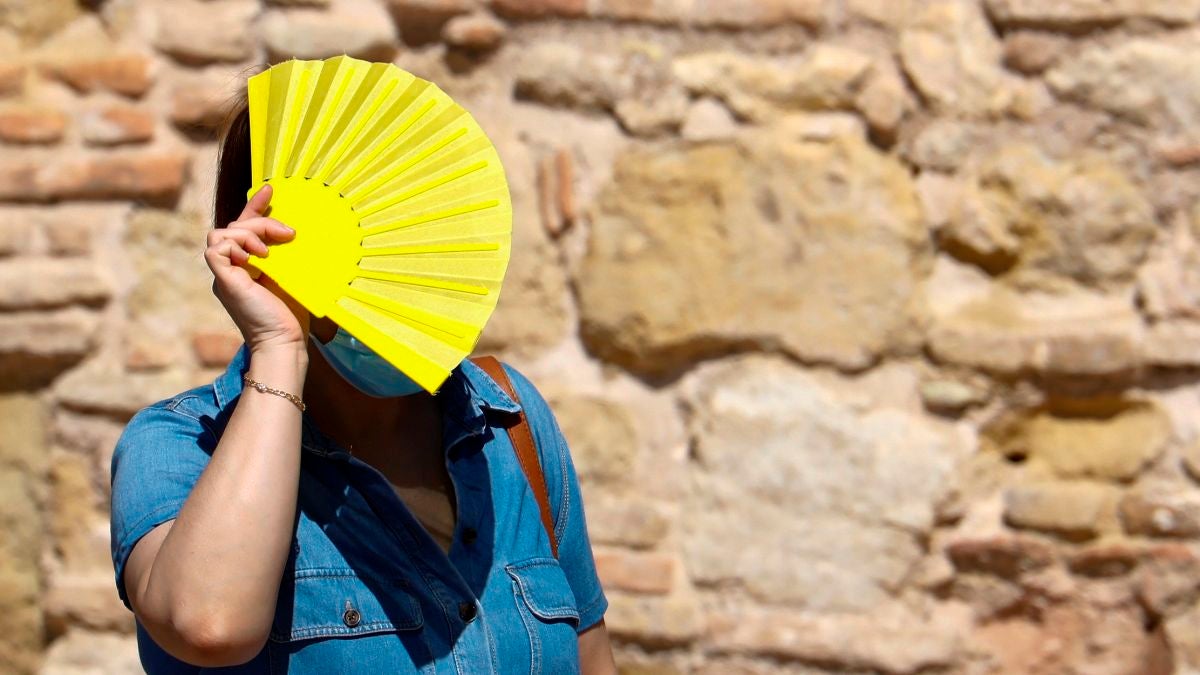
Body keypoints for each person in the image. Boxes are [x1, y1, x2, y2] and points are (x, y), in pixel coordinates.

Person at [107, 91, 617, 673]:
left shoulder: (509, 421)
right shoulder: (176, 446)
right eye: (368, 241)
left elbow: (593, 661)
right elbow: (211, 625)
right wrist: (278, 348)